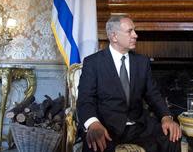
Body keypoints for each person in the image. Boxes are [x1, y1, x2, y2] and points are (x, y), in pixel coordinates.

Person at [78, 15, 181, 152]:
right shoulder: (93, 63)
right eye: (130, 31)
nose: (135, 35)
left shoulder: (142, 62)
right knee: (95, 141)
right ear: (114, 36)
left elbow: (153, 95)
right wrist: (93, 124)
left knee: (172, 135)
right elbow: (85, 100)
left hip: (138, 126)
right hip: (106, 126)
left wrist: (166, 117)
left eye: (135, 31)